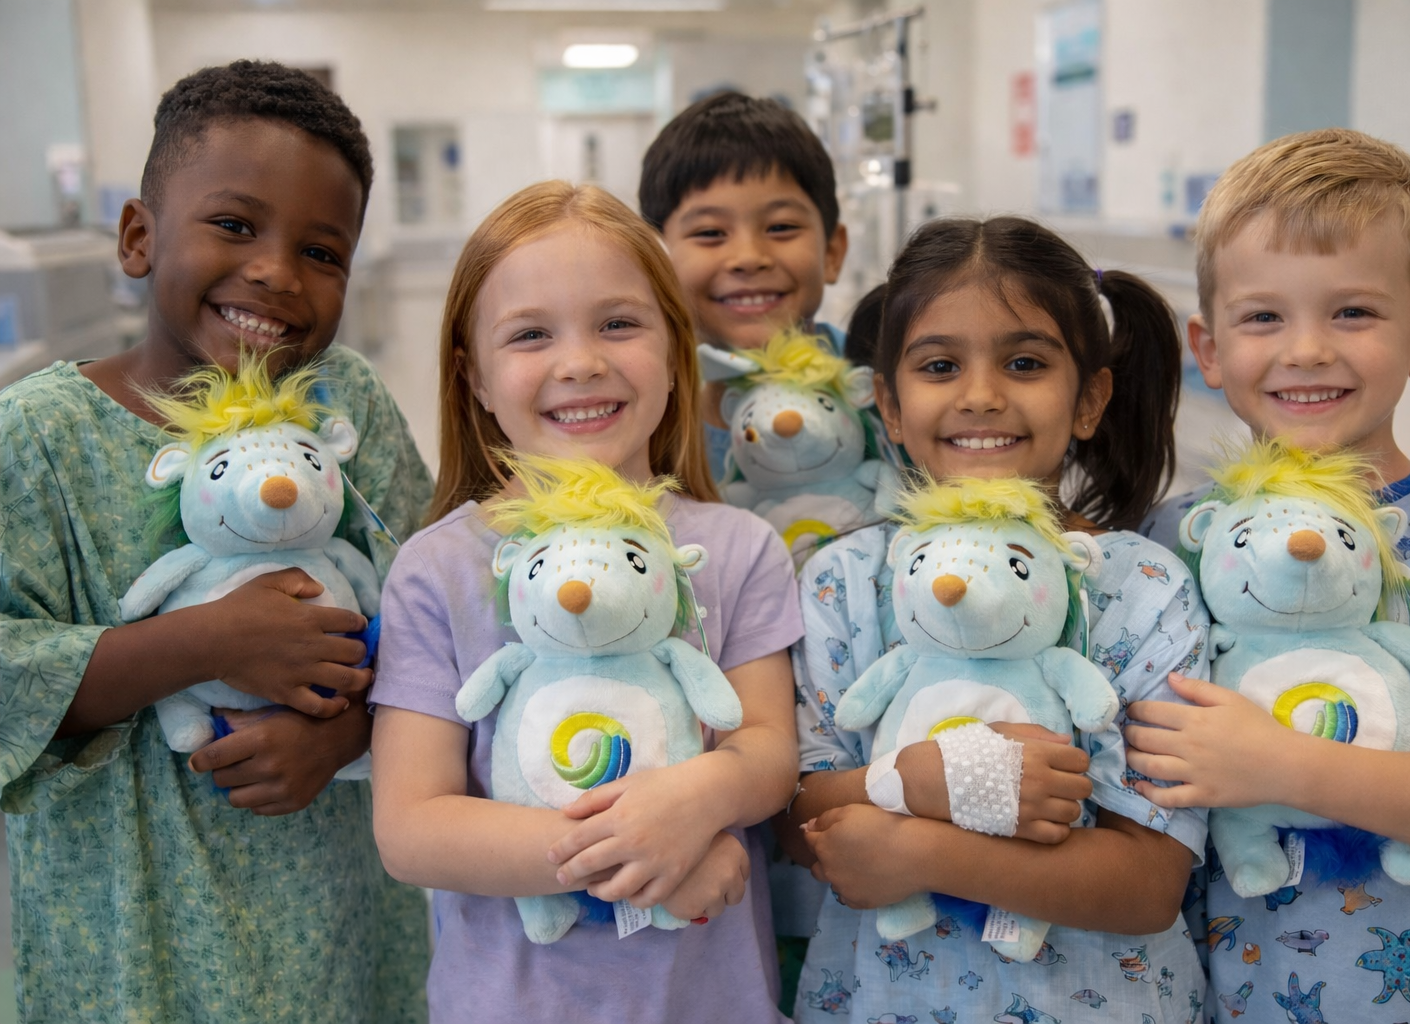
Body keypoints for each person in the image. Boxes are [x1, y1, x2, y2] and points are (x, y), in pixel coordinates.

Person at [0, 61, 432, 1023]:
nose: (277, 271)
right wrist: (203, 644)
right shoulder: (38, 440)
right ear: (138, 236)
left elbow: (435, 614)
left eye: (322, 251)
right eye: (234, 226)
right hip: (124, 947)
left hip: (338, 921)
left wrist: (354, 733)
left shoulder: (346, 405)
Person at [367, 180, 802, 1024]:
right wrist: (640, 850)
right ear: (476, 379)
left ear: (676, 352)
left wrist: (699, 802)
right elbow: (412, 828)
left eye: (618, 323)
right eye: (531, 334)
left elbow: (770, 753)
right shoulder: (439, 570)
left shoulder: (739, 549)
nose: (580, 363)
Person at [1132, 128, 1410, 1022]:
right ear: (1208, 348)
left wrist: (1280, 765)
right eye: (1264, 316)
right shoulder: (1171, 544)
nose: (1307, 349)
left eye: (1352, 312)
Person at [785, 216, 1212, 1023]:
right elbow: (799, 817)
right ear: (890, 404)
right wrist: (919, 782)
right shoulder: (846, 582)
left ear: (1089, 398)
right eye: (940, 365)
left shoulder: (1144, 587)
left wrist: (920, 842)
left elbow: (1151, 884)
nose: (981, 394)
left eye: (1024, 363)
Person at [639, 90, 850, 481]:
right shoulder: (640, 420)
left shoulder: (885, 387)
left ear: (833, 252)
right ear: (657, 263)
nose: (749, 257)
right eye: (710, 232)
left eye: (781, 227)